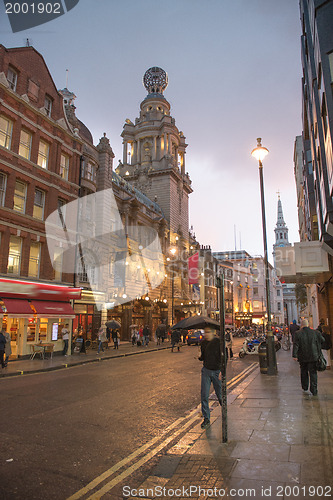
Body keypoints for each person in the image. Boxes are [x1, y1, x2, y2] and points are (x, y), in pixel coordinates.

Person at [292, 319, 325, 396]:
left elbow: (296, 345)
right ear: (308, 325)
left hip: (302, 357)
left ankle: (305, 386)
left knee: (304, 371)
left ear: (302, 325)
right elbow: (322, 340)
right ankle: (314, 390)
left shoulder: (298, 333)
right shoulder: (315, 333)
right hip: (314, 356)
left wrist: (295, 355)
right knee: (313, 372)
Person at [198, 327, 222, 429]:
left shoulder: (218, 342)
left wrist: (222, 371)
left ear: (213, 333)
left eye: (208, 332)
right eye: (205, 332)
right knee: (204, 395)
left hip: (216, 371)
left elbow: (223, 357)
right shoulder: (203, 343)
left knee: (220, 394)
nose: (206, 334)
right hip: (206, 371)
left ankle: (224, 410)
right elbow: (203, 357)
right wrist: (199, 356)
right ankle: (206, 418)